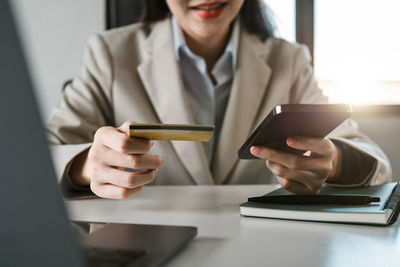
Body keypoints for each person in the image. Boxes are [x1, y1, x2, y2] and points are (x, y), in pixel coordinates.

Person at [47, 0, 391, 199]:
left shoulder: (289, 61)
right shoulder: (110, 54)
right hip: (150, 246)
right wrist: (85, 165)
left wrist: (333, 162)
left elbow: (377, 163)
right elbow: (39, 155)